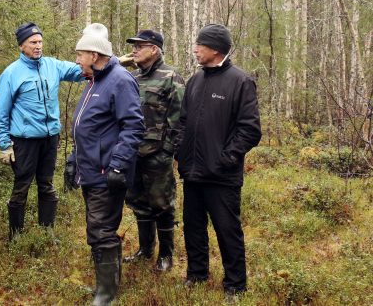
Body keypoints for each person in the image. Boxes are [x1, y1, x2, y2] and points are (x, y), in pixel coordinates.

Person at [176, 24, 261, 298]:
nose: (195, 50)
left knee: (227, 230)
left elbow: (250, 129)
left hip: (222, 175)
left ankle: (236, 285)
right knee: (193, 227)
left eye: (199, 45)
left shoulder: (240, 81)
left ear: (215, 49)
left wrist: (227, 158)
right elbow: (183, 121)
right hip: (192, 171)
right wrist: (181, 151)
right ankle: (197, 275)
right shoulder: (195, 80)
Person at [64, 23, 144, 305]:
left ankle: (107, 294)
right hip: (90, 171)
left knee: (101, 230)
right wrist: (74, 160)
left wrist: (119, 166)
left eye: (79, 54)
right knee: (96, 228)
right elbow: (86, 128)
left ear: (95, 55)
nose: (76, 60)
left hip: (107, 172)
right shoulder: (94, 80)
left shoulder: (120, 81)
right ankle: (105, 285)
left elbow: (133, 126)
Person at [0, 22, 83, 238]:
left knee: (46, 184)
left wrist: (110, 62)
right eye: (33, 42)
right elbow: (1, 112)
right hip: (24, 141)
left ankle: (47, 231)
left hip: (50, 139)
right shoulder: (11, 73)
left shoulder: (52, 65)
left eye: (40, 41)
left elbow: (79, 71)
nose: (38, 46)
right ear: (22, 46)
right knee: (22, 185)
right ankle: (16, 235)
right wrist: (5, 144)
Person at [123, 30, 185, 272]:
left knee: (162, 204)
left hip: (158, 154)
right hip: (133, 152)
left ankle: (166, 256)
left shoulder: (171, 77)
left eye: (140, 46)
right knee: (138, 202)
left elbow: (180, 118)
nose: (135, 50)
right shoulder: (132, 77)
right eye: (134, 46)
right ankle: (145, 250)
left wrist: (168, 150)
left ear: (155, 49)